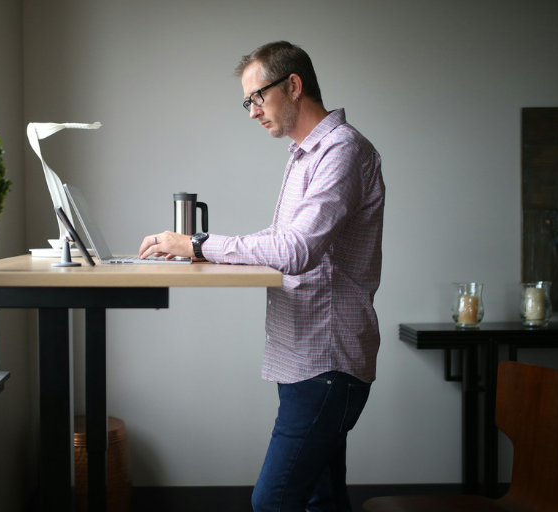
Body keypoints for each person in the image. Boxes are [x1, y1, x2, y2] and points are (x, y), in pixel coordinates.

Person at [138, 40, 385, 512]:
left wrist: (197, 244)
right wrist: (199, 252)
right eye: (246, 101)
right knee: (321, 500)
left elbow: (295, 249)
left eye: (257, 98)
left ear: (293, 86)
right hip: (306, 357)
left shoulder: (342, 151)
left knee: (272, 502)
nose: (251, 112)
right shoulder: (305, 155)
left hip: (325, 362)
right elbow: (280, 241)